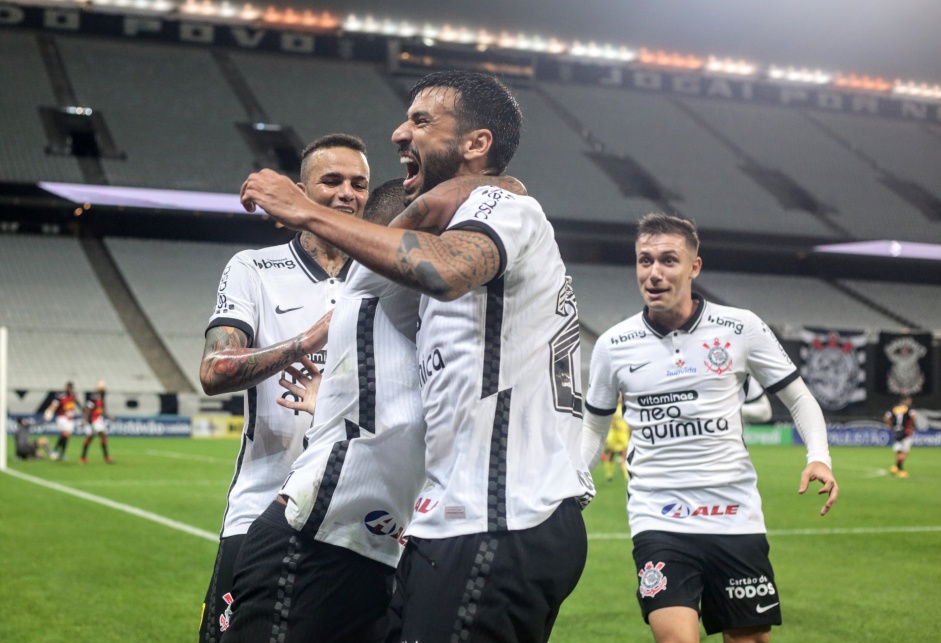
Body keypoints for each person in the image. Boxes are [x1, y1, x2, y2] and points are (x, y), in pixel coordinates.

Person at [239, 70, 594, 643]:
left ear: (476, 144)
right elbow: (376, 291)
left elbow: (446, 268)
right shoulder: (476, 240)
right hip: (453, 521)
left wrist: (306, 210)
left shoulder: (509, 214)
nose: (400, 133)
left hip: (499, 517)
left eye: (422, 121)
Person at [581, 213, 838, 643]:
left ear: (694, 267)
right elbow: (593, 426)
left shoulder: (741, 328)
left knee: (750, 640)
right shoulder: (613, 344)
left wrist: (819, 457)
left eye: (668, 260)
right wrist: (572, 484)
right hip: (658, 515)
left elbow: (798, 398)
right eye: (644, 261)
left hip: (734, 513)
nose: (654, 273)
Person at [197, 133, 368, 643]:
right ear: (300, 190)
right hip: (261, 506)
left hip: (359, 518)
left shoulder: (383, 277)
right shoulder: (254, 268)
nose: (347, 193)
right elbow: (213, 371)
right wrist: (305, 341)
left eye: (358, 183)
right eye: (331, 180)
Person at [80, 380, 114, 464]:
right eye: (103, 388)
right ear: (100, 388)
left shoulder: (101, 397)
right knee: (102, 434)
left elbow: (101, 410)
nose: (105, 389)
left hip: (98, 419)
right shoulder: (94, 397)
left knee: (91, 438)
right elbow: (87, 409)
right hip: (93, 420)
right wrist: (84, 420)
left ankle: (83, 457)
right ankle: (107, 457)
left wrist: (109, 416)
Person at [44, 381, 80, 461]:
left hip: (70, 418)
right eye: (68, 387)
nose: (69, 389)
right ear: (65, 387)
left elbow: (76, 405)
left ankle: (59, 452)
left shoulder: (73, 395)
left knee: (66, 437)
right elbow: (54, 405)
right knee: (65, 434)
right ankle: (58, 452)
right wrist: (49, 412)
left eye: (71, 388)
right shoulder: (60, 395)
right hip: (62, 417)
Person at [884, 395, 917, 478]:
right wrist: (912, 425)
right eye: (909, 400)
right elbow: (914, 416)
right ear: (906, 400)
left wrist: (891, 426)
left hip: (897, 430)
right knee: (904, 451)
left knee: (898, 450)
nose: (910, 402)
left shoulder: (894, 408)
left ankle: (896, 468)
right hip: (906, 431)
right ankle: (899, 468)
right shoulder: (909, 408)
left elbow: (886, 418)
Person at [602, 397, 629, 482]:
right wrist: (614, 425)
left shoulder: (626, 407)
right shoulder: (613, 407)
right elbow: (610, 419)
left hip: (623, 434)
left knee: (625, 455)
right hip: (614, 434)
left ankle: (627, 476)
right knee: (610, 455)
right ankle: (609, 476)